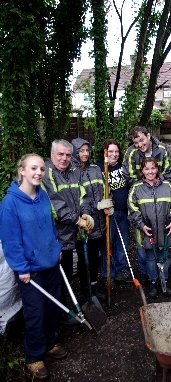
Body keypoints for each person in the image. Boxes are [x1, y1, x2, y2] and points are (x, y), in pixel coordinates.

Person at [0, 154, 67, 380]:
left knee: (52, 307)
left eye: (41, 169)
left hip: (50, 262)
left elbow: (50, 224)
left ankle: (49, 343)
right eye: (33, 168)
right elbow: (11, 240)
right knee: (35, 312)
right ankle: (34, 357)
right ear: (22, 171)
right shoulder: (10, 204)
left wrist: (56, 246)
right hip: (31, 270)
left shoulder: (43, 196)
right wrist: (21, 268)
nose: (39, 173)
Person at [42, 139, 94, 322]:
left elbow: (83, 195)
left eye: (68, 155)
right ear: (52, 154)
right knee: (59, 275)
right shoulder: (47, 174)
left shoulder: (73, 171)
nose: (64, 158)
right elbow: (54, 205)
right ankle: (60, 312)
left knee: (72, 270)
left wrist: (86, 215)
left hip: (74, 230)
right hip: (57, 234)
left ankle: (71, 303)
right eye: (60, 154)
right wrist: (77, 219)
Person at [123, 126, 171, 283]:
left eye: (141, 140)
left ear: (149, 136)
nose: (139, 144)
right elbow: (129, 176)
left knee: (161, 240)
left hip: (161, 198)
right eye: (136, 142)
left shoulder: (162, 150)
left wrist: (157, 186)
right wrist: (145, 187)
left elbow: (169, 172)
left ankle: (164, 274)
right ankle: (148, 275)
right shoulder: (131, 153)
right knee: (143, 242)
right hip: (142, 199)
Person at [128, 157, 171, 298]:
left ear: (157, 169)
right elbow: (132, 209)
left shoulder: (167, 186)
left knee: (164, 257)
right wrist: (141, 225)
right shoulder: (136, 188)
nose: (150, 171)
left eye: (153, 168)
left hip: (165, 229)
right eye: (147, 169)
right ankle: (153, 282)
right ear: (142, 171)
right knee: (150, 258)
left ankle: (166, 281)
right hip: (147, 231)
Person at [71, 138, 113, 301]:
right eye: (81, 151)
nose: (85, 154)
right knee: (83, 258)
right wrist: (96, 206)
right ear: (75, 152)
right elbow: (78, 198)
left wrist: (109, 203)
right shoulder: (72, 172)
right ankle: (85, 289)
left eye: (87, 151)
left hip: (100, 221)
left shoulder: (96, 169)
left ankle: (95, 284)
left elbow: (105, 188)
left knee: (96, 255)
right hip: (85, 222)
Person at [99, 139, 131, 285]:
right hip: (108, 214)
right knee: (108, 244)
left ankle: (120, 270)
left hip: (123, 212)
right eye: (111, 151)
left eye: (116, 151)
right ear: (105, 152)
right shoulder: (99, 168)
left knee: (122, 243)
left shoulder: (123, 167)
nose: (114, 154)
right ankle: (107, 274)